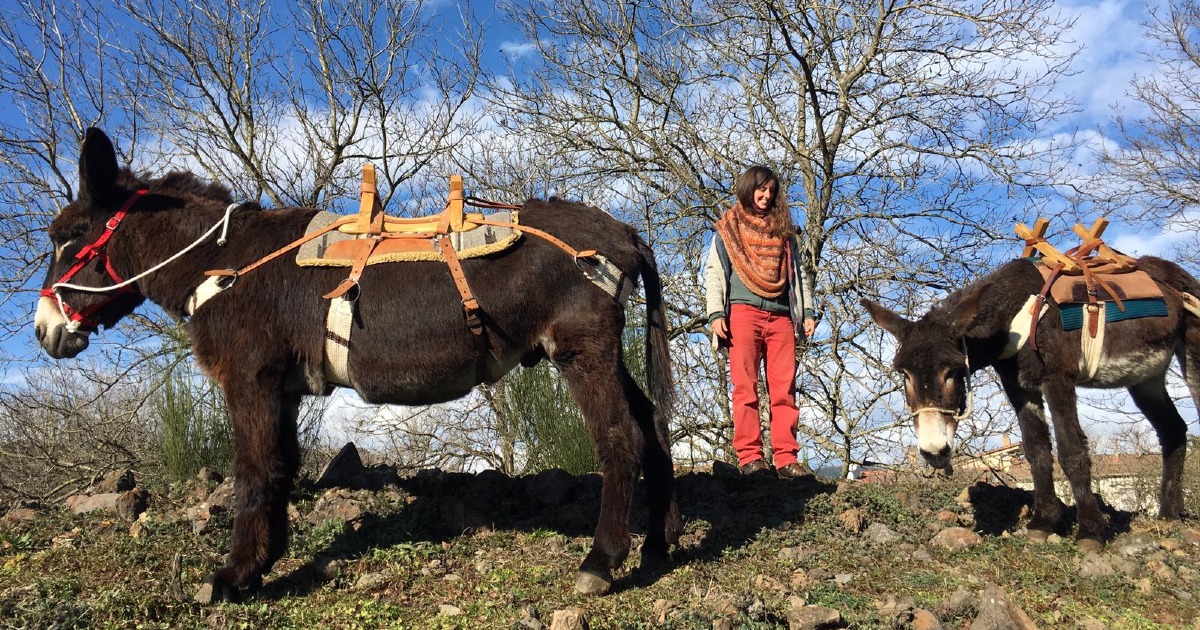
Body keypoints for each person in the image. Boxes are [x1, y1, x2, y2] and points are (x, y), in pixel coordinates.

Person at [704, 165, 816, 478]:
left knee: (784, 390)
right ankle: (751, 459)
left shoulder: (785, 230)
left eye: (771, 191)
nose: (766, 196)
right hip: (743, 312)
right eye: (760, 189)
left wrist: (807, 312)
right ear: (748, 188)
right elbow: (714, 272)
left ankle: (786, 459)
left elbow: (799, 274)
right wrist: (715, 314)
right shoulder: (729, 226)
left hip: (781, 316)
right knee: (745, 389)